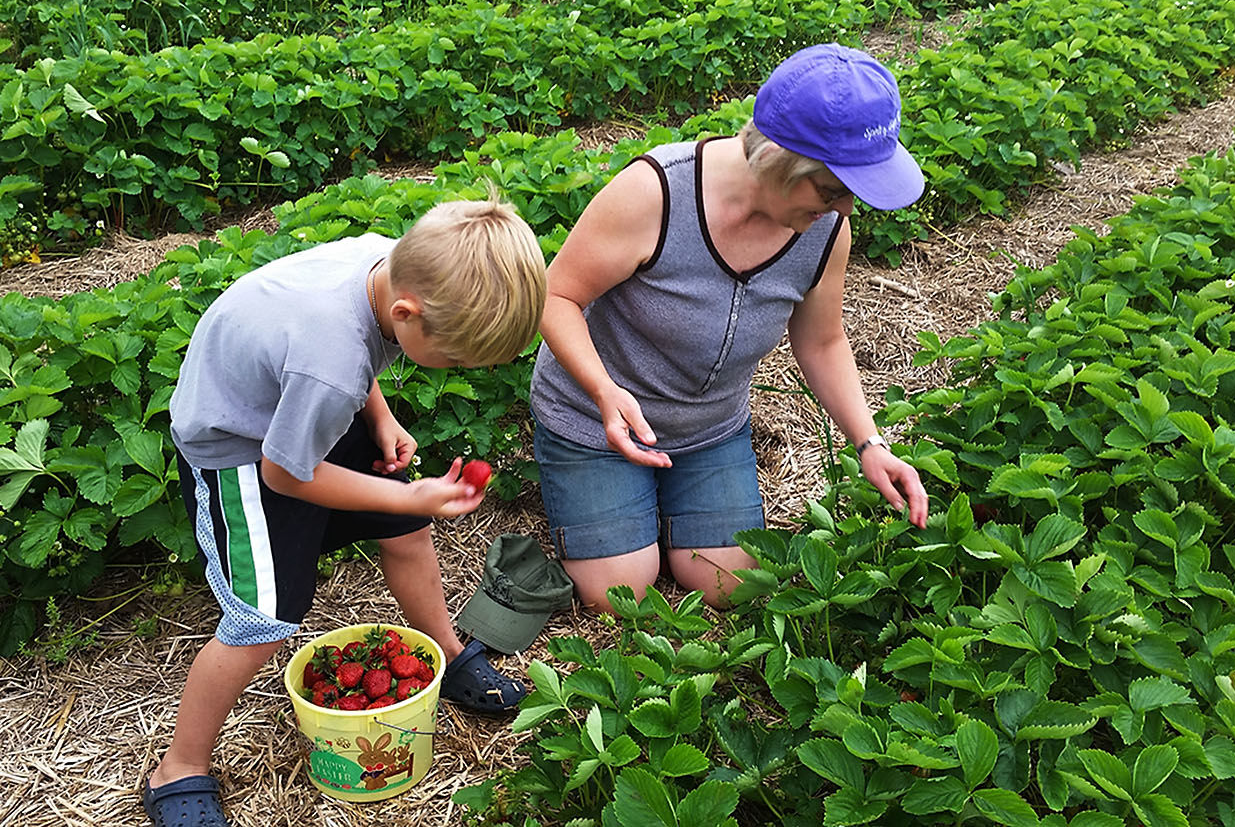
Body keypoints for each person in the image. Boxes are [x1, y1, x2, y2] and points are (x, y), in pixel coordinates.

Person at [143, 195, 548, 827]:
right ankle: (179, 765)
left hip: (301, 405)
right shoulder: (328, 364)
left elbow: (356, 356)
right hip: (242, 446)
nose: (459, 370)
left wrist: (380, 417)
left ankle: (444, 646)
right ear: (408, 314)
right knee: (263, 620)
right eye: (457, 360)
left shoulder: (385, 262)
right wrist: (411, 493)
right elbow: (287, 473)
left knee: (406, 530)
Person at [529, 43, 931, 613]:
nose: (844, 209)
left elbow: (822, 339)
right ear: (779, 159)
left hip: (708, 428)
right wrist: (603, 390)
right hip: (597, 420)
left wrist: (868, 443)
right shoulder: (657, 193)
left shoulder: (825, 230)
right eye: (831, 189)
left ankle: (669, 507)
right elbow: (555, 295)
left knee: (729, 585)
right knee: (624, 597)